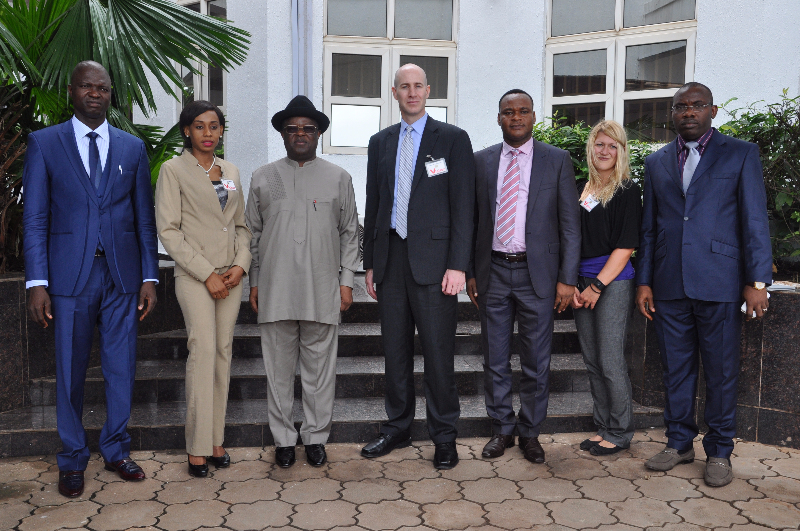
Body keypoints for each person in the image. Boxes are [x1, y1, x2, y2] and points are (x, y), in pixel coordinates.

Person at [23, 61, 158, 497]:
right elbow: (36, 218)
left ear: (111, 93)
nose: (95, 93)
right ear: (72, 90)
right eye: (86, 86)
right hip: (68, 279)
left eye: (102, 87)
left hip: (122, 277)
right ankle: (72, 457)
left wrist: (150, 276)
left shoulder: (132, 148)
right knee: (70, 370)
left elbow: (144, 221)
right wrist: (36, 282)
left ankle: (117, 448)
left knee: (122, 369)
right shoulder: (45, 144)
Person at [636, 82, 772, 487]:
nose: (688, 112)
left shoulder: (741, 153)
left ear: (712, 110)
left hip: (721, 282)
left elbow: (754, 220)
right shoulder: (657, 161)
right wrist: (644, 281)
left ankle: (719, 450)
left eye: (697, 106)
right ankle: (678, 443)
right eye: (681, 107)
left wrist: (757, 280)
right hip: (669, 284)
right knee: (675, 370)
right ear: (672, 114)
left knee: (721, 371)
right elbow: (649, 227)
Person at [361, 64, 475, 470]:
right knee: (395, 353)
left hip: (436, 266)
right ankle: (398, 427)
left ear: (429, 91)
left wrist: (459, 265)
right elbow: (374, 205)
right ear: (394, 92)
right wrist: (370, 263)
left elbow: (464, 206)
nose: (411, 93)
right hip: (390, 263)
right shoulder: (380, 142)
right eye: (403, 87)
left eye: (418, 87)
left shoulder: (453, 139)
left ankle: (444, 436)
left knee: (439, 356)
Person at [466, 89, 580, 463]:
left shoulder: (557, 160)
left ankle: (530, 432)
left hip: (539, 276)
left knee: (536, 360)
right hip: (493, 272)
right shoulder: (480, 161)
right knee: (495, 358)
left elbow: (569, 224)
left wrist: (567, 278)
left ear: (534, 116)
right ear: (498, 118)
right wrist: (470, 271)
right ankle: (501, 429)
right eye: (508, 112)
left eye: (523, 111)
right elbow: (471, 221)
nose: (516, 117)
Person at [246, 95, 359, 468]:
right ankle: (282, 439)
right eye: (292, 128)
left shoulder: (338, 178)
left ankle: (314, 437)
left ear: (319, 133)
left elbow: (349, 233)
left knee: (319, 372)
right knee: (277, 372)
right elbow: (252, 234)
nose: (300, 134)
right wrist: (255, 282)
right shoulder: (263, 176)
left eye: (307, 129)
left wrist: (346, 281)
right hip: (276, 288)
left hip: (323, 287)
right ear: (281, 134)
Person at [155, 100, 251, 478]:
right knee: (204, 349)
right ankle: (196, 446)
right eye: (199, 126)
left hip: (231, 276)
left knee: (223, 352)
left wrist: (241, 264)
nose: (207, 133)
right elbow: (169, 230)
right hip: (196, 277)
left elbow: (241, 226)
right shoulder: (173, 170)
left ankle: (215, 439)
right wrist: (206, 272)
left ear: (221, 131)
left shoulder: (231, 171)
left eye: (214, 126)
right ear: (186, 131)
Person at [570, 120, 641, 456]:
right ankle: (604, 427)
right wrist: (571, 283)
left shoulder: (627, 190)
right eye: (600, 144)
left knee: (610, 359)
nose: (605, 151)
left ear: (621, 152)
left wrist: (597, 286)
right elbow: (571, 240)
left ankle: (621, 431)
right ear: (590, 147)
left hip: (611, 282)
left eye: (613, 146)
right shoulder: (581, 189)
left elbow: (626, 245)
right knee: (592, 359)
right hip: (580, 282)